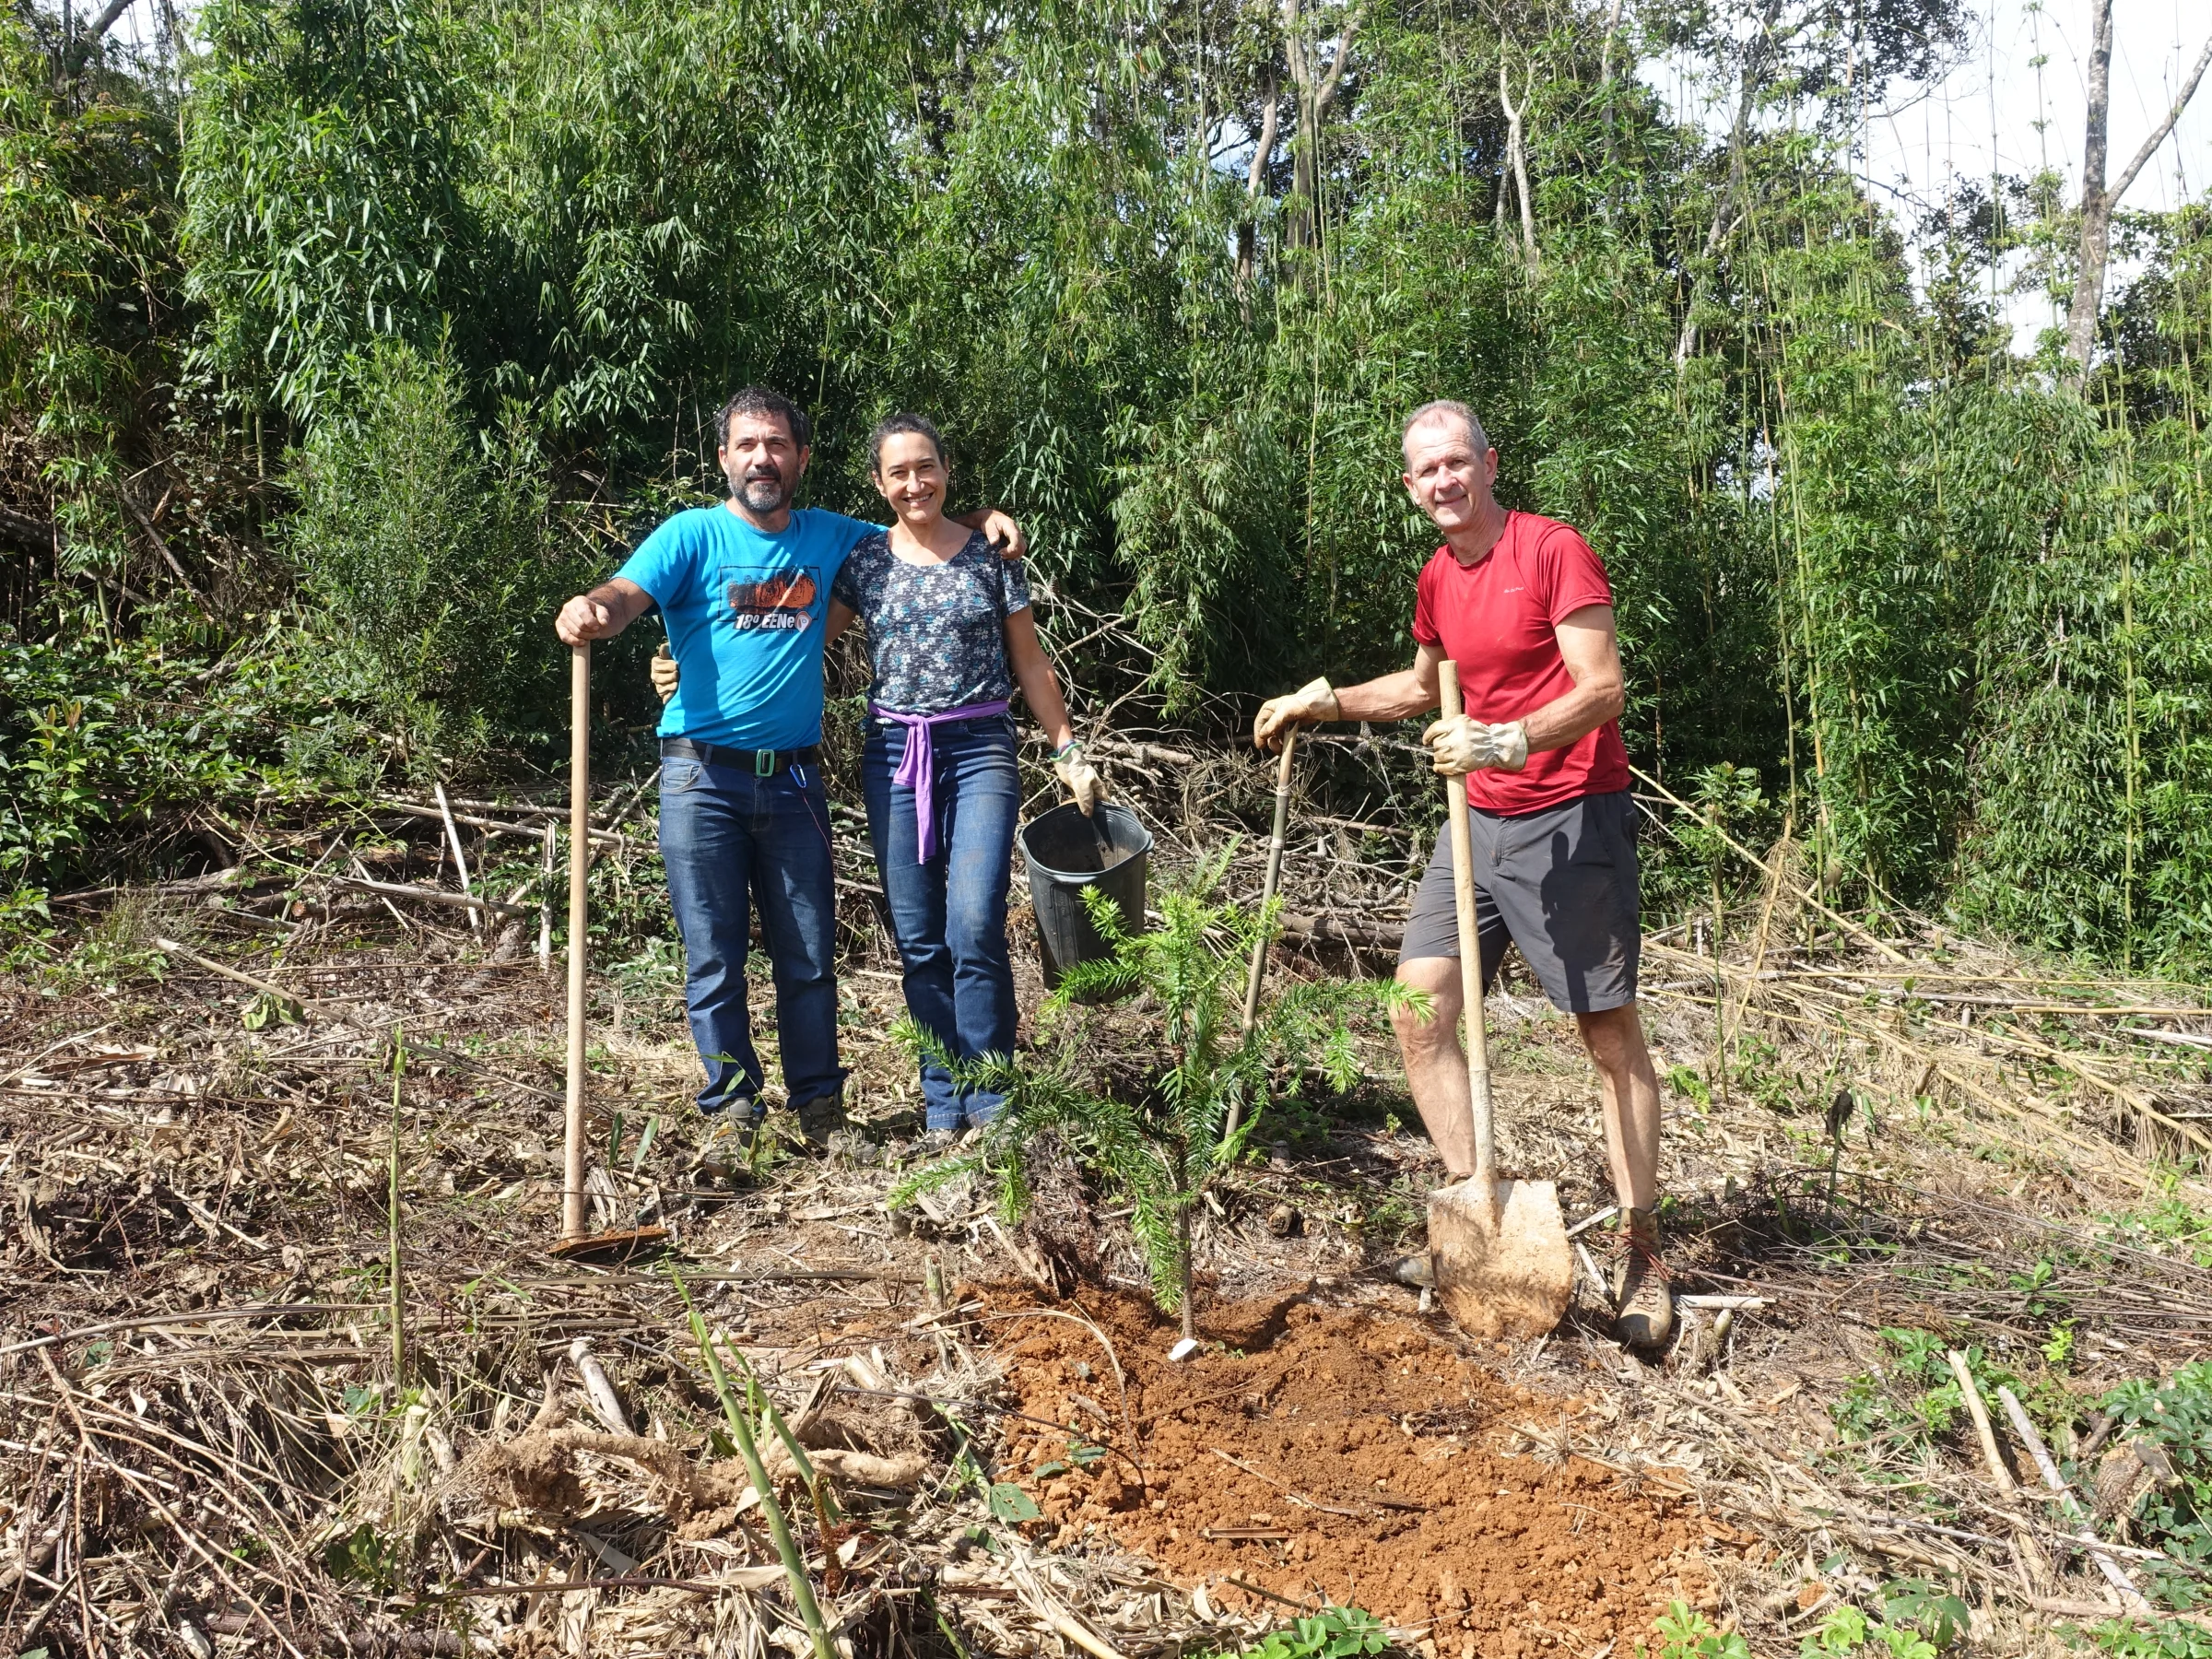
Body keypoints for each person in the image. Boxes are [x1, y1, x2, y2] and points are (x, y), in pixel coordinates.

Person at [1252, 399, 1670, 1348]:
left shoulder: (1552, 550)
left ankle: (1647, 1254)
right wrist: (1324, 701)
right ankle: (1474, 1210)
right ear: (1411, 486)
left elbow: (1602, 687)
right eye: (1423, 470)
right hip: (1475, 823)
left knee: (1607, 1039)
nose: (1441, 481)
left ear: (1488, 463)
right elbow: (1421, 686)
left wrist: (1509, 738)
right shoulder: (1438, 575)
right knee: (1417, 1009)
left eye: (1455, 463)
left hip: (1570, 817)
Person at [554, 386, 1025, 1152]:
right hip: (700, 775)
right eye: (747, 445)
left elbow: (919, 526)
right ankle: (733, 1111)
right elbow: (624, 595)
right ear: (724, 459)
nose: (762, 458)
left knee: (808, 955)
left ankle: (822, 1113)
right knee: (714, 952)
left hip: (796, 779)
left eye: (776, 445)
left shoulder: (834, 537)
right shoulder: (689, 536)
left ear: (800, 458)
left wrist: (981, 519)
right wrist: (592, 608)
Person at [657, 411, 1102, 1138]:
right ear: (878, 482)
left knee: (972, 922)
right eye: (898, 472)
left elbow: (1031, 662)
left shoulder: (992, 557)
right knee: (920, 936)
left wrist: (1067, 750)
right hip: (894, 756)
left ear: (945, 469)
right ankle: (942, 1099)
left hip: (980, 749)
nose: (913, 483)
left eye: (925, 467)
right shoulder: (864, 560)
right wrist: (685, 663)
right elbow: (781, 631)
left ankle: (992, 1096)